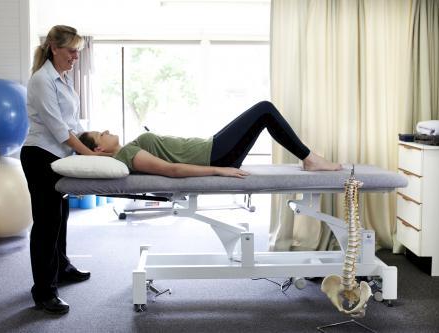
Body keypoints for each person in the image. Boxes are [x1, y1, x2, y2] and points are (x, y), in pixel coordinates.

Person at [20, 25, 105, 315]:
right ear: (54, 48)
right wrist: (94, 159)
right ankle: (44, 292)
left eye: (78, 52)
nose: (75, 57)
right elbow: (59, 130)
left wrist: (92, 145)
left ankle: (63, 267)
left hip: (60, 157)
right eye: (71, 51)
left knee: (61, 216)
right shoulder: (42, 80)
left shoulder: (64, 78)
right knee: (46, 223)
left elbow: (74, 125)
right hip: (40, 156)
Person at [78, 101, 342, 178]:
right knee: (264, 109)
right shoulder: (128, 155)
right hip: (214, 154)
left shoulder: (129, 149)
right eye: (101, 134)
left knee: (264, 113)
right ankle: (310, 159)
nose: (108, 130)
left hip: (213, 147)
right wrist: (218, 170)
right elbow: (172, 170)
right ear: (99, 148)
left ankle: (309, 158)